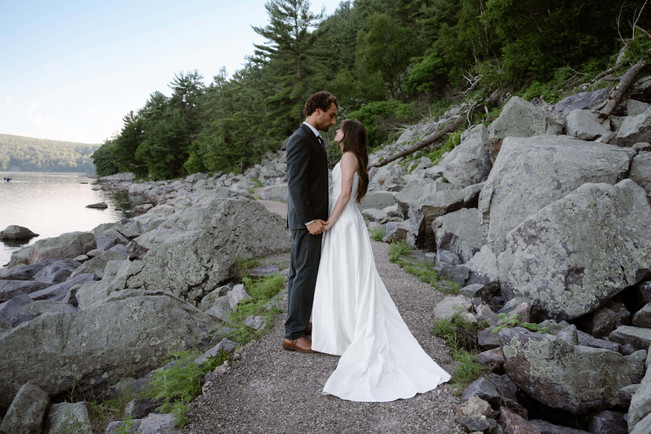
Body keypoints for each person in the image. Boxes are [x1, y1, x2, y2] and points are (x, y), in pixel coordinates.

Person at [311, 119, 451, 401]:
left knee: (348, 274)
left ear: (347, 135)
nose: (336, 130)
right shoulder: (349, 156)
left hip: (345, 222)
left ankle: (348, 330)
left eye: (340, 128)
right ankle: (342, 328)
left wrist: (329, 222)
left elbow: (346, 194)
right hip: (345, 221)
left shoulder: (349, 157)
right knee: (345, 274)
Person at [283, 90, 338, 353]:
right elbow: (295, 184)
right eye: (331, 115)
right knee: (302, 274)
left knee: (301, 274)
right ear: (317, 110)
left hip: (311, 219)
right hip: (307, 221)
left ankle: (300, 322)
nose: (333, 121)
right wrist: (308, 219)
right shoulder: (300, 139)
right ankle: (293, 335)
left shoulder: (313, 139)